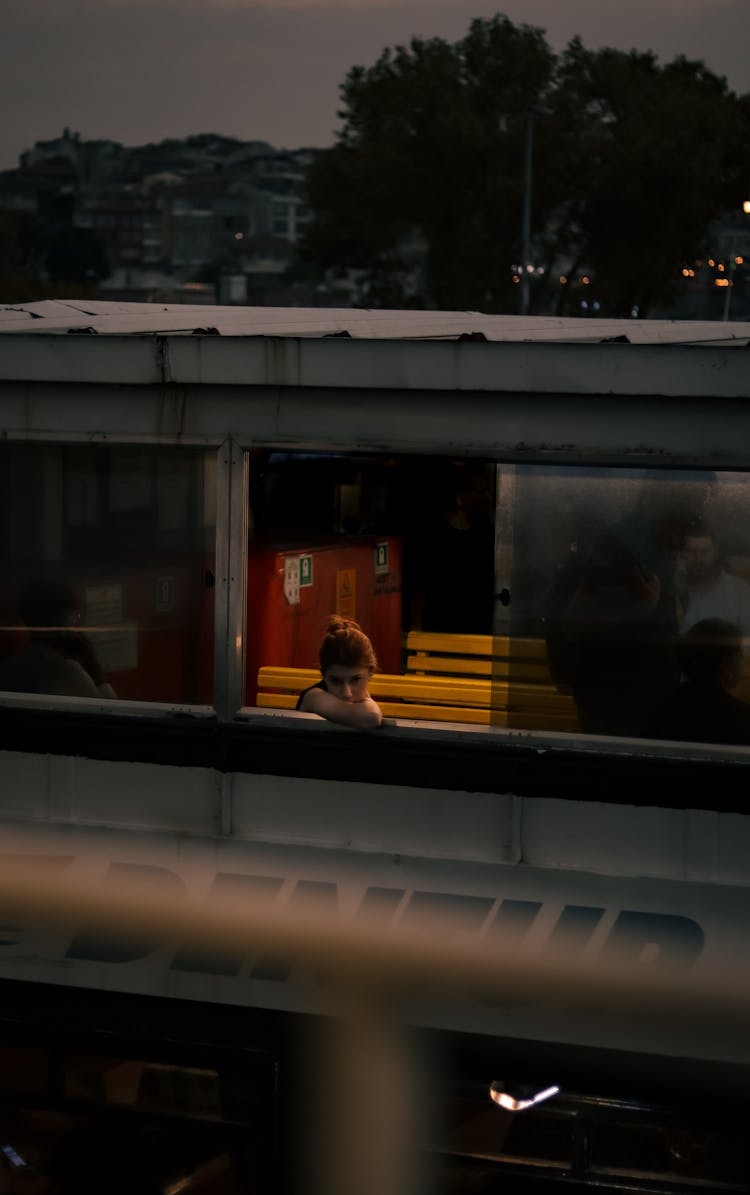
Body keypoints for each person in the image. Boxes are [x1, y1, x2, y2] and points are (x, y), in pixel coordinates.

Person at [0, 578, 116, 699]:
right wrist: (94, 668)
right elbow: (112, 711)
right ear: (64, 622)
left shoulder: (7, 668)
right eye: (72, 618)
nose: (75, 625)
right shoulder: (67, 671)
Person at [648, 618, 750, 745]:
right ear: (725, 665)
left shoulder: (665, 707)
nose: (743, 659)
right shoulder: (740, 717)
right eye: (739, 652)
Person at [296, 615, 383, 729]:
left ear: (371, 671)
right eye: (336, 681)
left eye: (355, 679)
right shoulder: (313, 697)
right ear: (323, 674)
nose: (347, 693)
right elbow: (371, 718)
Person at [678, 522, 750, 636]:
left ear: (715, 551)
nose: (698, 559)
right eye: (691, 551)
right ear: (682, 553)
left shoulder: (740, 591)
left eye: (705, 551)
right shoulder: (673, 590)